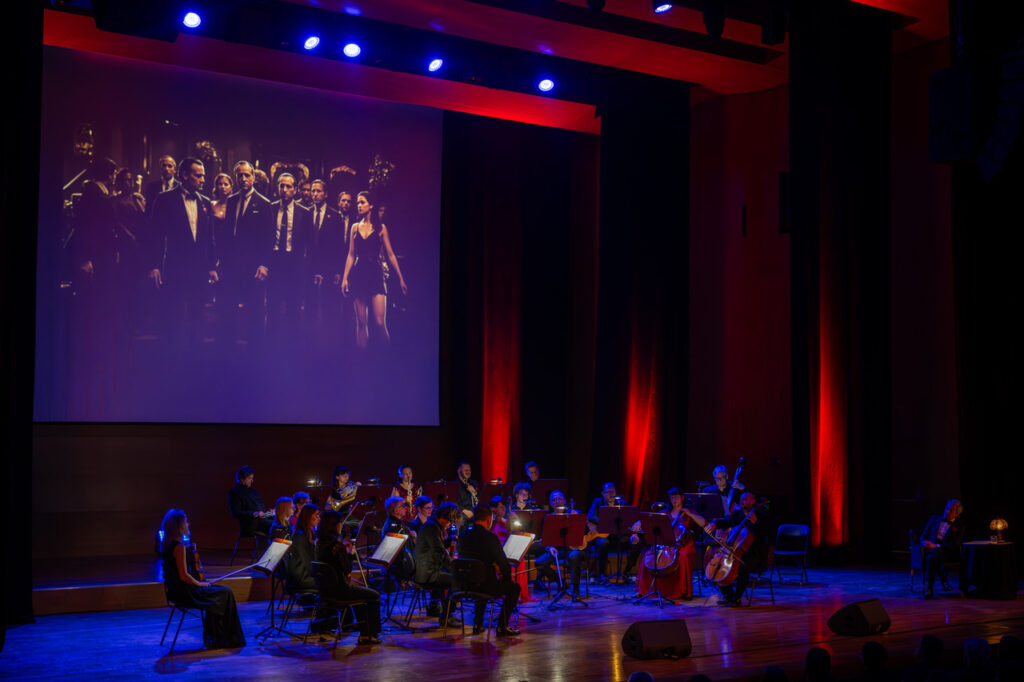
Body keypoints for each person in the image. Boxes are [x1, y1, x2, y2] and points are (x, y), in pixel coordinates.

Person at [147, 156, 218, 351]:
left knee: (198, 315)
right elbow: (155, 236)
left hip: (199, 268)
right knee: (173, 315)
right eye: (198, 176)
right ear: (184, 175)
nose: (203, 180)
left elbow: (209, 238)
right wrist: (154, 266)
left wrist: (212, 266)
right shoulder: (164, 199)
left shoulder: (204, 201)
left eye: (203, 176)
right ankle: (171, 357)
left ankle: (195, 358)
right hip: (175, 267)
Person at [160, 508, 245, 648]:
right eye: (186, 522)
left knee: (222, 593)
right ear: (179, 526)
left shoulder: (167, 545)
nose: (188, 524)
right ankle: (222, 638)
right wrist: (200, 584)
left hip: (176, 592)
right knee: (226, 593)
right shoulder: (179, 547)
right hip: (187, 593)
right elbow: (184, 575)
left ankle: (215, 637)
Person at [340, 190, 408, 349]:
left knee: (379, 322)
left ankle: (387, 357)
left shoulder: (381, 228)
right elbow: (351, 255)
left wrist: (400, 278)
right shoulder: (354, 227)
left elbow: (390, 254)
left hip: (375, 274)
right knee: (361, 322)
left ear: (371, 205)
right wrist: (345, 278)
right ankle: (362, 363)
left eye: (362, 202)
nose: (359, 205)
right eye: (357, 203)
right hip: (358, 274)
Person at [216, 161, 272, 347]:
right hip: (230, 267)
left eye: (247, 175)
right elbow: (227, 234)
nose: (243, 178)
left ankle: (255, 358)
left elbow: (268, 238)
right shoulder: (231, 201)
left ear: (253, 177)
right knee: (227, 312)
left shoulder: (264, 204)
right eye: (239, 175)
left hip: (253, 268)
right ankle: (227, 356)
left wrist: (264, 265)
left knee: (254, 314)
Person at [311, 510, 383, 644]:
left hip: (325, 591)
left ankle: (363, 630)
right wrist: (349, 553)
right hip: (340, 590)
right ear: (334, 526)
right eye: (340, 524)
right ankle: (369, 635)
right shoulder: (336, 546)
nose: (341, 526)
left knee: (362, 595)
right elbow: (347, 569)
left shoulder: (319, 543)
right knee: (374, 595)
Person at [457, 503, 521, 636]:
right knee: (514, 588)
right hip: (485, 586)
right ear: (488, 520)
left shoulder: (463, 536)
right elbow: (503, 564)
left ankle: (477, 624)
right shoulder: (491, 538)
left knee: (480, 578)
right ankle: (502, 627)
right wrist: (507, 579)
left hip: (464, 585)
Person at [267, 172, 311, 340]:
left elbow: (308, 243)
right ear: (277, 187)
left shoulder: (304, 213)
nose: (284, 189)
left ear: (295, 190)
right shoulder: (270, 208)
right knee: (273, 306)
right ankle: (271, 346)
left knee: (294, 308)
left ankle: (293, 347)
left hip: (295, 264)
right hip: (275, 262)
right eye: (281, 186)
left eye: (288, 186)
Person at [705, 491, 767, 607]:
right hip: (734, 552)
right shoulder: (737, 515)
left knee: (743, 567)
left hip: (754, 554)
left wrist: (756, 523)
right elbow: (726, 521)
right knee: (720, 565)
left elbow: (765, 533)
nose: (743, 502)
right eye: (742, 499)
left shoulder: (761, 516)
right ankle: (728, 595)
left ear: (753, 501)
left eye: (747, 499)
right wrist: (714, 524)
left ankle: (737, 597)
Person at [635, 487, 697, 601]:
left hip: (684, 544)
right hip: (665, 544)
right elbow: (650, 518)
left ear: (682, 498)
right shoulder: (665, 513)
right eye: (672, 497)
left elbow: (703, 522)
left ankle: (683, 591)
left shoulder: (688, 512)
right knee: (646, 557)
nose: (674, 500)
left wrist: (690, 514)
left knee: (682, 556)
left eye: (677, 497)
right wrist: (640, 522)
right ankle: (643, 590)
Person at [306, 179, 344, 340]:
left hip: (329, 267)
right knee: (310, 306)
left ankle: (329, 342)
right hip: (310, 266)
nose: (314, 194)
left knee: (329, 306)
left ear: (326, 194)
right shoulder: (306, 212)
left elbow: (339, 247)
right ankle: (310, 341)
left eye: (318, 191)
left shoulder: (335, 216)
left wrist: (337, 271)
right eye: (313, 191)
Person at [413, 501, 461, 626]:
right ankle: (446, 617)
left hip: (427, 569)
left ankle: (438, 608)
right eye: (450, 521)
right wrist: (454, 570)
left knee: (449, 576)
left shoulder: (432, 525)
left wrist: (448, 541)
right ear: (444, 517)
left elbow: (436, 548)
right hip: (426, 573)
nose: (450, 524)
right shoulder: (431, 528)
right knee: (457, 581)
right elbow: (439, 552)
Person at [534, 490, 584, 599]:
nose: (557, 501)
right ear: (551, 504)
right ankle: (560, 582)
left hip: (571, 549)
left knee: (575, 556)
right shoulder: (548, 518)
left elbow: (585, 531)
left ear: (565, 500)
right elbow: (545, 538)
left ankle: (575, 589)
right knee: (539, 563)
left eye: (560, 498)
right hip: (555, 550)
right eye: (554, 500)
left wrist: (576, 518)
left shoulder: (573, 514)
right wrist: (550, 547)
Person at [588, 482, 640, 579]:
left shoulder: (622, 503)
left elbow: (631, 519)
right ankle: (601, 574)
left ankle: (627, 571)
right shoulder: (597, 502)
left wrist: (634, 533)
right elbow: (591, 516)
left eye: (613, 492)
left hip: (620, 536)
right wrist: (605, 519)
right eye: (608, 492)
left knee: (636, 543)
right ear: (602, 493)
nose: (611, 494)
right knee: (603, 543)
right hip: (603, 535)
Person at [920, 499, 964, 599]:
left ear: (956, 514)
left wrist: (936, 546)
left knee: (932, 558)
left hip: (946, 554)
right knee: (933, 555)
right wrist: (925, 542)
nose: (947, 511)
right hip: (931, 550)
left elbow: (955, 545)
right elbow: (923, 536)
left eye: (951, 511)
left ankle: (929, 588)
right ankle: (944, 581)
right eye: (947, 508)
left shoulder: (959, 527)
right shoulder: (934, 519)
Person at [380, 495, 416, 585]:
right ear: (395, 511)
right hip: (399, 566)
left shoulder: (394, 522)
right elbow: (404, 550)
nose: (405, 508)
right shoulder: (396, 526)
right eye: (402, 506)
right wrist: (412, 538)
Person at [285, 504, 320, 593]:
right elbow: (306, 562)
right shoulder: (300, 536)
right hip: (301, 579)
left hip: (305, 576)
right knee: (331, 584)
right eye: (316, 515)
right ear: (308, 516)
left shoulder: (307, 533)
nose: (319, 518)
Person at [228, 466, 273, 536]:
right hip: (250, 523)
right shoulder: (234, 492)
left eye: (252, 478)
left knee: (282, 522)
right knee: (276, 526)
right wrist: (254, 513)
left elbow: (261, 509)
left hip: (262, 520)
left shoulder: (253, 491)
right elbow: (235, 513)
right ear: (241, 479)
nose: (252, 481)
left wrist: (268, 512)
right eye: (249, 478)